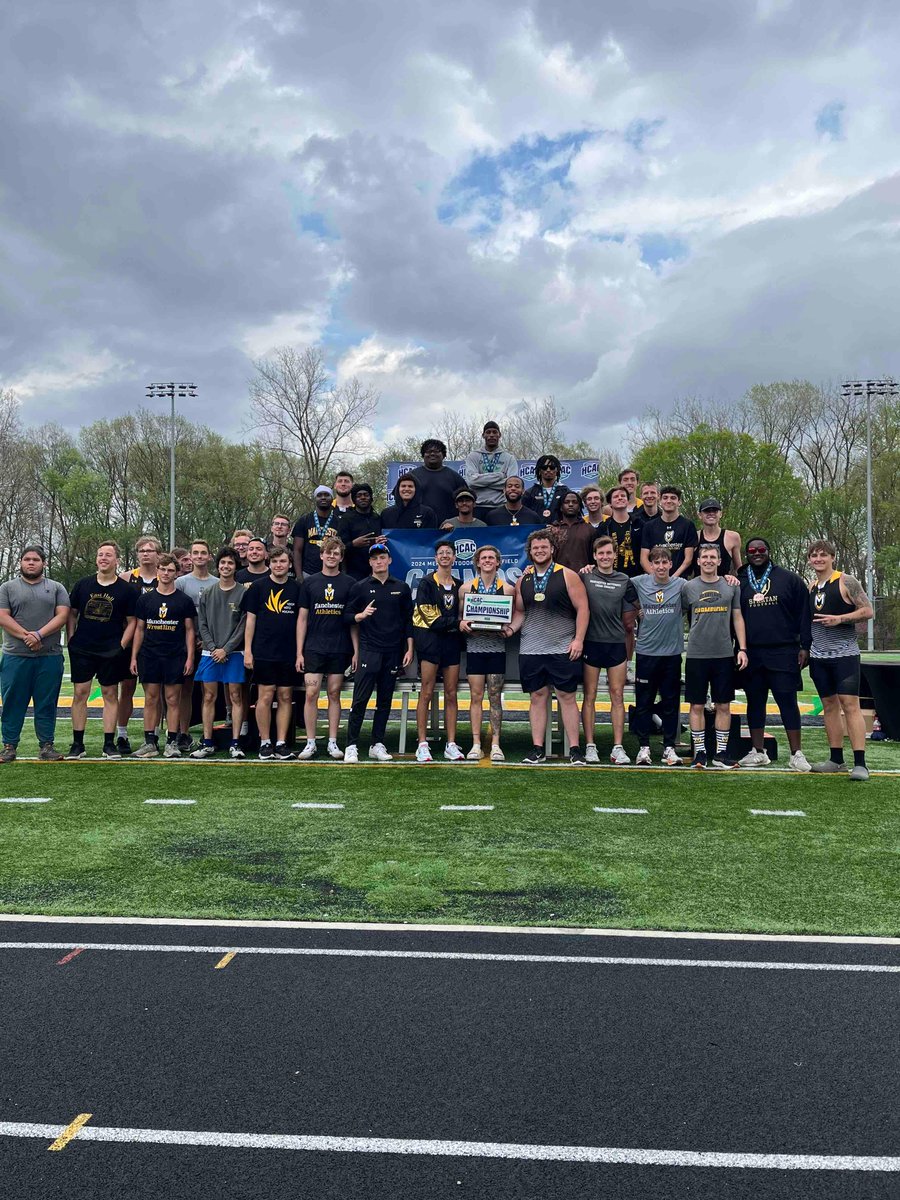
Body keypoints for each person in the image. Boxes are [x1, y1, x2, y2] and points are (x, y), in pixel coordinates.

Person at [509, 529, 589, 765]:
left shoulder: (567, 575)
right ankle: (537, 748)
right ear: (530, 552)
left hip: (562, 646)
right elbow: (521, 612)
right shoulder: (523, 580)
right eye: (535, 548)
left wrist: (579, 639)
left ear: (552, 549)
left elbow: (583, 608)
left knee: (567, 696)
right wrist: (510, 630)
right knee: (537, 696)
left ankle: (574, 749)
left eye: (544, 547)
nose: (540, 551)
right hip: (531, 647)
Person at [738, 537, 812, 772]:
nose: (757, 553)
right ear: (746, 554)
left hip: (783, 650)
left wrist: (804, 645)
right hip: (752, 652)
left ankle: (796, 754)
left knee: (787, 702)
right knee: (755, 702)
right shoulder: (739, 580)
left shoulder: (789, 579)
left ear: (769, 552)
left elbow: (804, 613)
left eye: (761, 550)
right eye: (752, 550)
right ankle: (758, 752)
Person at [807, 540, 874, 780]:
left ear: (832, 557)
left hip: (844, 655)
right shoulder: (812, 586)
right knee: (829, 706)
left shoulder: (846, 581)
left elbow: (868, 611)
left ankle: (861, 764)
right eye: (814, 556)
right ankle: (836, 759)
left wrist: (841, 618)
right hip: (818, 656)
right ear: (809, 560)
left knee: (850, 705)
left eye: (823, 555)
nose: (818, 559)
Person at [343, 543, 414, 762]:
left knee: (384, 701)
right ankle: (351, 745)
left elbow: (407, 622)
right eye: (374, 558)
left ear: (389, 560)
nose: (379, 561)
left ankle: (377, 743)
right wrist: (360, 616)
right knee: (360, 700)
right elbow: (346, 616)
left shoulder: (401, 587)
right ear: (370, 562)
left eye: (382, 557)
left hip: (392, 652)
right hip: (369, 650)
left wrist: (409, 648)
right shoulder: (360, 586)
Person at [66, 541, 136, 759]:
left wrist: (121, 645)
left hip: (110, 650)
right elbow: (71, 613)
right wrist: (71, 639)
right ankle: (78, 744)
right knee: (80, 694)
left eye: (108, 555)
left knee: (109, 694)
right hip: (83, 649)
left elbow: (132, 622)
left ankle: (109, 744)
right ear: (96, 559)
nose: (103, 558)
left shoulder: (126, 589)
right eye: (100, 555)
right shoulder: (83, 584)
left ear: (117, 560)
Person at [0, 547, 70, 763]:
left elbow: (63, 615)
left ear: (44, 563)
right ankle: (9, 746)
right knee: (12, 702)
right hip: (15, 656)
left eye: (36, 559)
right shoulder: (7, 588)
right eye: (27, 559)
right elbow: (2, 616)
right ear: (20, 562)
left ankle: (46, 746)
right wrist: (26, 636)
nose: (31, 563)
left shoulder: (56, 587)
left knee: (47, 703)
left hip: (49, 656)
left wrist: (39, 635)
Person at [681, 544, 748, 768]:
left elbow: (737, 618)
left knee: (723, 705)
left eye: (713, 557)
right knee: (697, 705)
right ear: (698, 561)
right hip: (696, 655)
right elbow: (679, 615)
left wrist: (742, 648)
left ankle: (721, 753)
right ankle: (700, 752)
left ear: (719, 561)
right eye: (704, 557)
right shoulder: (688, 587)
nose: (708, 560)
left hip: (723, 654)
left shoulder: (731, 586)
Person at [296, 536, 358, 760]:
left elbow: (352, 621)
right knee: (311, 693)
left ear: (341, 558)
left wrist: (355, 651)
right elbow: (302, 619)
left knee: (334, 693)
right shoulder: (310, 583)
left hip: (339, 648)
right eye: (328, 552)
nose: (331, 556)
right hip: (313, 647)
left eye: (336, 553)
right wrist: (299, 651)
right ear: (321, 555)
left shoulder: (350, 583)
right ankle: (310, 743)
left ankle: (333, 742)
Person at [130, 553, 196, 759]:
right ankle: (150, 742)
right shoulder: (145, 599)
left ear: (176, 573)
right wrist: (133, 657)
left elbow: (189, 631)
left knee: (172, 699)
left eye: (170, 570)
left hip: (174, 656)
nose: (166, 573)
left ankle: (172, 742)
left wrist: (190, 658)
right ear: (157, 571)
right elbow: (139, 629)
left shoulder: (183, 600)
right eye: (163, 569)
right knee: (150, 698)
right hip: (149, 655)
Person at [581, 536, 637, 765]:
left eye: (609, 553)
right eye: (600, 553)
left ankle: (617, 747)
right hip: (591, 643)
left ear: (615, 555)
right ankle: (590, 746)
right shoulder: (584, 575)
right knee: (590, 696)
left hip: (615, 644)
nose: (605, 557)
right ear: (594, 556)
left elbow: (631, 617)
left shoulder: (625, 580)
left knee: (617, 695)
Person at [240, 547, 301, 760]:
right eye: (274, 561)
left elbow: (301, 622)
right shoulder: (258, 588)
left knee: (285, 696)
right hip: (263, 651)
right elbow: (250, 620)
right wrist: (248, 651)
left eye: (283, 561)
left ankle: (281, 743)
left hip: (288, 652)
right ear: (270, 563)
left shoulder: (297, 588)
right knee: (264, 696)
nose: (278, 565)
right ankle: (265, 742)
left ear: (290, 564)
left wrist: (299, 653)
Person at [631, 547, 687, 766]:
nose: (661, 566)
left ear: (671, 565)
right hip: (646, 653)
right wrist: (636, 609)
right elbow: (619, 587)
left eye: (665, 562)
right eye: (657, 563)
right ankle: (644, 748)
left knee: (671, 703)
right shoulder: (639, 582)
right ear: (650, 565)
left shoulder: (681, 585)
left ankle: (669, 749)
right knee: (643, 702)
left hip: (672, 654)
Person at [190, 546, 247, 760]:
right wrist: (213, 648)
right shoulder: (208, 593)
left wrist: (227, 649)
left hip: (234, 653)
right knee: (209, 696)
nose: (226, 566)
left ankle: (235, 743)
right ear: (218, 566)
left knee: (235, 696)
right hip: (210, 653)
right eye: (223, 563)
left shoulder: (243, 592)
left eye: (230, 563)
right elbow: (201, 623)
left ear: (235, 567)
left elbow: (243, 625)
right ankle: (207, 743)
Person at [458, 545, 512, 761]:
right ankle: (476, 743)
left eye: (492, 557)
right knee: (476, 697)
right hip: (475, 648)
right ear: (477, 563)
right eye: (484, 558)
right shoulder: (466, 589)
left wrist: (509, 628)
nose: (488, 561)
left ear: (498, 562)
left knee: (495, 697)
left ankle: (496, 744)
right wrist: (461, 622)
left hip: (497, 649)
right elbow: (458, 617)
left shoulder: (507, 589)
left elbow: (515, 616)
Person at [413, 540, 465, 762]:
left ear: (454, 558)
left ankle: (451, 744)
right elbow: (431, 619)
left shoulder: (460, 585)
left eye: (448, 553)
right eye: (441, 553)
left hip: (452, 644)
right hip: (430, 642)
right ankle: (422, 743)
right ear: (435, 559)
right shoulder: (425, 583)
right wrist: (458, 622)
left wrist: (463, 622)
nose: (445, 556)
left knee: (452, 693)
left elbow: (467, 612)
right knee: (426, 691)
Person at [174, 539, 219, 752]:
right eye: (196, 553)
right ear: (190, 557)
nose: (199, 556)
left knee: (209, 692)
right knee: (186, 690)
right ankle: (183, 733)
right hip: (186, 644)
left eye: (204, 553)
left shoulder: (217, 582)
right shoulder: (181, 583)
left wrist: (208, 640)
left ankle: (207, 733)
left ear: (209, 556)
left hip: (211, 644)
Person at [117, 534, 160, 754]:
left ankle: (155, 734)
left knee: (155, 691)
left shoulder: (165, 577)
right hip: (130, 640)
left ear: (158, 554)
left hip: (157, 642)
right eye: (142, 551)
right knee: (127, 688)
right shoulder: (126, 578)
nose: (145, 554)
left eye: (150, 550)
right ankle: (122, 734)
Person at [639, 486, 698, 578]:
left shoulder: (688, 525)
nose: (669, 501)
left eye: (673, 498)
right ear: (660, 501)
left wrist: (672, 580)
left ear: (679, 502)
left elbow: (688, 559)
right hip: (654, 580)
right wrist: (656, 577)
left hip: (679, 580)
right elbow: (643, 558)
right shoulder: (649, 526)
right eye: (665, 498)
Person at [463, 421, 519, 520]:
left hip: (501, 506)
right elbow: (472, 482)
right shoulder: (473, 456)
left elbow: (510, 485)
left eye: (494, 432)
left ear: (499, 435)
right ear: (483, 435)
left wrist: (481, 481)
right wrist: (500, 476)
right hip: (478, 506)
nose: (491, 435)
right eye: (488, 432)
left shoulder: (509, 458)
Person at [408, 440, 467, 524]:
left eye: (436, 451)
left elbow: (466, 502)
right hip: (419, 527)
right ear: (423, 455)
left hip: (448, 528)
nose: (432, 454)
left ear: (443, 455)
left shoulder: (455, 477)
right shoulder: (412, 476)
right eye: (428, 451)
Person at [293, 486, 342, 580]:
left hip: (333, 572)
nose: (323, 497)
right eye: (319, 495)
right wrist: (299, 576)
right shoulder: (304, 520)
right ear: (315, 499)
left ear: (332, 499)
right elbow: (297, 550)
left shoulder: (339, 522)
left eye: (327, 495)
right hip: (308, 573)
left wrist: (343, 574)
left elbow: (343, 550)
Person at [341, 483, 383, 579]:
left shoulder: (378, 518)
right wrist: (353, 544)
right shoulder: (346, 519)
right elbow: (339, 548)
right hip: (353, 573)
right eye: (359, 496)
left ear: (371, 498)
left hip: (376, 570)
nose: (363, 498)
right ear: (354, 500)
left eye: (366, 495)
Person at [695, 498, 742, 577]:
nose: (711, 513)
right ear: (700, 515)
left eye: (715, 511)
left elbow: (739, 568)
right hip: (698, 586)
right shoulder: (694, 537)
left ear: (721, 514)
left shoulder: (733, 537)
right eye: (707, 511)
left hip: (724, 586)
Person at [552, 490, 594, 570]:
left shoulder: (589, 529)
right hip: (557, 577)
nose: (570, 504)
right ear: (561, 507)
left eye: (574, 502)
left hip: (583, 576)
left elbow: (595, 558)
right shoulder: (552, 530)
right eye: (566, 502)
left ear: (579, 507)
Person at [524, 455, 570, 522]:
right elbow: (524, 515)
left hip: (559, 531)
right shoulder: (530, 493)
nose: (548, 470)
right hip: (536, 531)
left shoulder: (565, 492)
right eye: (544, 468)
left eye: (552, 467)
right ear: (539, 470)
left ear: (557, 470)